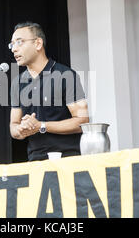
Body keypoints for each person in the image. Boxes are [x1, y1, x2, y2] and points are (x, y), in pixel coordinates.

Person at [9, 22, 89, 161]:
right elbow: (13, 126)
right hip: (34, 160)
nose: (14, 49)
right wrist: (21, 129)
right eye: (12, 44)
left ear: (38, 44)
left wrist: (41, 126)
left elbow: (82, 122)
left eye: (19, 42)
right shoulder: (17, 83)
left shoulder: (66, 75)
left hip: (67, 159)